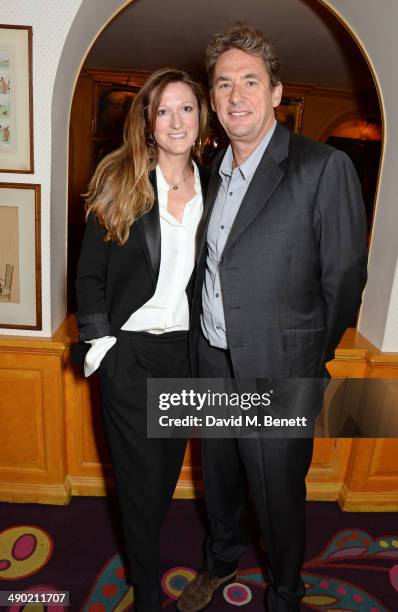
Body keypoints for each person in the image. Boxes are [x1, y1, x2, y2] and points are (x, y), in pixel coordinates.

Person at [177, 24, 368, 612]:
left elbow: (344, 280)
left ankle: (286, 591)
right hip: (211, 361)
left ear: (277, 92)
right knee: (221, 478)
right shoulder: (209, 173)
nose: (237, 96)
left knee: (278, 492)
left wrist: (304, 360)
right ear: (212, 100)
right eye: (224, 84)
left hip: (280, 371)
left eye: (250, 82)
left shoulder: (322, 167)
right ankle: (220, 560)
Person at [74, 67, 208, 612]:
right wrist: (101, 346)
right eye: (164, 110)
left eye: (186, 108)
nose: (176, 120)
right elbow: (88, 276)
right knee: (136, 479)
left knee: (163, 476)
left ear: (202, 119)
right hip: (127, 354)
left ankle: (142, 556)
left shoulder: (219, 183)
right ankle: (147, 590)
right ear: (148, 123)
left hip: (183, 354)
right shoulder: (120, 177)